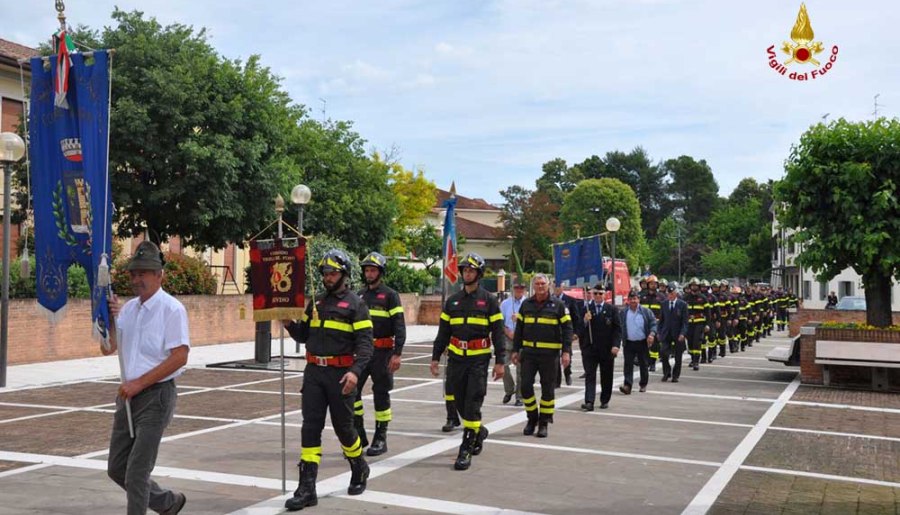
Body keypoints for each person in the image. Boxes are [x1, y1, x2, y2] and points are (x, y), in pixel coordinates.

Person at [282, 249, 374, 510]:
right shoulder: (317, 302)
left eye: (332, 272)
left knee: (345, 428)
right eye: (324, 272)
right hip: (313, 373)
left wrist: (355, 372)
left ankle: (359, 466)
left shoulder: (357, 304)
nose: (327, 277)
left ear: (344, 274)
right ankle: (307, 487)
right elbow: (303, 336)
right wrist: (290, 323)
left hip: (340, 375)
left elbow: (366, 345)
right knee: (310, 426)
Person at [103, 241, 190, 515]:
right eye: (134, 273)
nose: (137, 279)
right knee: (117, 468)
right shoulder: (128, 309)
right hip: (128, 398)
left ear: (159, 275)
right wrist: (106, 322)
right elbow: (108, 349)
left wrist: (140, 383)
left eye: (144, 273)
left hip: (156, 396)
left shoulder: (172, 309)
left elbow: (180, 356)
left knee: (137, 473)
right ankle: (168, 503)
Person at [430, 253, 505, 471]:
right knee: (457, 400)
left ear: (479, 274)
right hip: (456, 359)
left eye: (471, 270)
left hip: (478, 360)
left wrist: (501, 361)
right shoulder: (453, 300)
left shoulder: (489, 300)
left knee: (473, 401)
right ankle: (478, 431)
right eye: (464, 270)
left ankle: (466, 447)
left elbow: (498, 332)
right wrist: (435, 357)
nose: (467, 273)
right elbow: (443, 332)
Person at [354, 251, 406, 457]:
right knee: (352, 393)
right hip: (361, 352)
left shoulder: (390, 295)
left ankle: (380, 437)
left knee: (381, 394)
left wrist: (397, 353)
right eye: (367, 270)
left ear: (380, 272)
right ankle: (358, 434)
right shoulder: (359, 295)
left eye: (373, 270)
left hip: (383, 352)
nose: (369, 273)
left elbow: (399, 326)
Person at [511, 274, 573, 437]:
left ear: (549, 285)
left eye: (542, 284)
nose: (540, 286)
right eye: (537, 284)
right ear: (534, 286)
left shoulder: (558, 305)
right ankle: (532, 418)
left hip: (549, 355)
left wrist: (566, 352)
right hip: (529, 354)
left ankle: (544, 422)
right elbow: (519, 330)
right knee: (525, 387)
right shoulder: (526, 305)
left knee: (548, 390)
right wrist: (515, 349)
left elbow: (567, 330)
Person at [579, 283, 621, 410]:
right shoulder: (585, 309)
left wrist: (616, 345)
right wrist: (585, 321)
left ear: (605, 294)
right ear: (592, 294)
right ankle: (589, 401)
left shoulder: (612, 309)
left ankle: (604, 399)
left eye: (600, 293)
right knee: (590, 375)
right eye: (595, 293)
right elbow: (579, 329)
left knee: (606, 375)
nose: (597, 296)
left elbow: (617, 329)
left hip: (607, 348)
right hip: (590, 348)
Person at [619, 291, 657, 394]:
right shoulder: (624, 312)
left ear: (638, 300)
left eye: (635, 299)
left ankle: (643, 384)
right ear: (628, 300)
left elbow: (653, 323)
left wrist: (651, 334)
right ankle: (627, 385)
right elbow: (619, 326)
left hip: (642, 342)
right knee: (628, 364)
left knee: (643, 364)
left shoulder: (646, 311)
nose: (633, 301)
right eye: (631, 299)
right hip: (629, 342)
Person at [499, 280, 526, 406]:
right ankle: (509, 390)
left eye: (521, 288)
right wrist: (507, 331)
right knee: (503, 365)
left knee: (521, 370)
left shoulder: (528, 303)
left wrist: (520, 319)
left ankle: (519, 396)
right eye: (516, 288)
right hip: (508, 337)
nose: (519, 290)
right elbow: (500, 322)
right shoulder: (505, 303)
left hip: (522, 339)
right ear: (512, 289)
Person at [658, 284, 689, 382]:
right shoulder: (664, 304)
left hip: (678, 334)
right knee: (663, 353)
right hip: (666, 333)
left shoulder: (682, 304)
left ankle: (675, 375)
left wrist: (683, 334)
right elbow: (661, 320)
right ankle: (666, 373)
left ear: (676, 293)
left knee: (678, 356)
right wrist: (659, 332)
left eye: (672, 293)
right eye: (669, 294)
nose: (670, 296)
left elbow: (685, 322)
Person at [683, 278, 709, 371]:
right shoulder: (685, 298)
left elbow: (708, 313)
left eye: (696, 286)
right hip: (688, 324)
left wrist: (707, 324)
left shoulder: (703, 298)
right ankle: (692, 358)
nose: (694, 287)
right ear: (690, 286)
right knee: (689, 342)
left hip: (699, 323)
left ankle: (696, 362)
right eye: (692, 285)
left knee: (696, 341)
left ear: (698, 287)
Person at [553, 283, 576, 386]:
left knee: (567, 354)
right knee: (555, 357)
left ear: (562, 287)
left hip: (566, 332)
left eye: (558, 286)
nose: (557, 288)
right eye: (555, 286)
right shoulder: (549, 300)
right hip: (553, 333)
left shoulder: (570, 300)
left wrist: (575, 333)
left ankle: (567, 374)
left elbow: (575, 318)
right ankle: (556, 380)